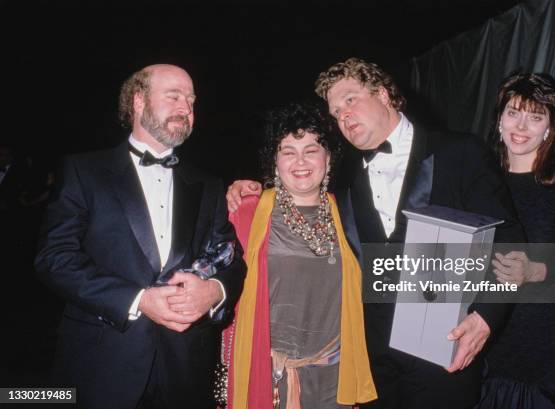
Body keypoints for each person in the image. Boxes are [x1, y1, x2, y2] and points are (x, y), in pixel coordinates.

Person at [226, 58, 525, 409]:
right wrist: (247, 187)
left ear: (383, 94)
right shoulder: (345, 175)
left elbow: (511, 241)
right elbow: (298, 179)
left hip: (446, 353)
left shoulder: (459, 153)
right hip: (371, 368)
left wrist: (486, 317)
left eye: (350, 100)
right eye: (336, 111)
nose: (343, 116)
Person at [35, 64, 246, 409]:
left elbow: (231, 259)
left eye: (192, 101)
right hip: (100, 365)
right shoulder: (82, 171)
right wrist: (137, 299)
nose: (186, 109)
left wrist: (214, 291)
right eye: (174, 96)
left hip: (185, 370)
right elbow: (54, 259)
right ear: (137, 101)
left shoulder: (208, 184)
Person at [224, 101, 376, 409]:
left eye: (311, 149)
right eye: (288, 151)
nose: (300, 161)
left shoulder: (351, 213)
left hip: (335, 376)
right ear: (275, 161)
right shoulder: (246, 213)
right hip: (270, 376)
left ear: (328, 158)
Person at [476, 73, 555, 408]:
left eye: (535, 117)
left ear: (551, 127)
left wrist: (537, 271)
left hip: (548, 361)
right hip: (482, 352)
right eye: (513, 113)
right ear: (499, 119)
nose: (521, 126)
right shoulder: (478, 180)